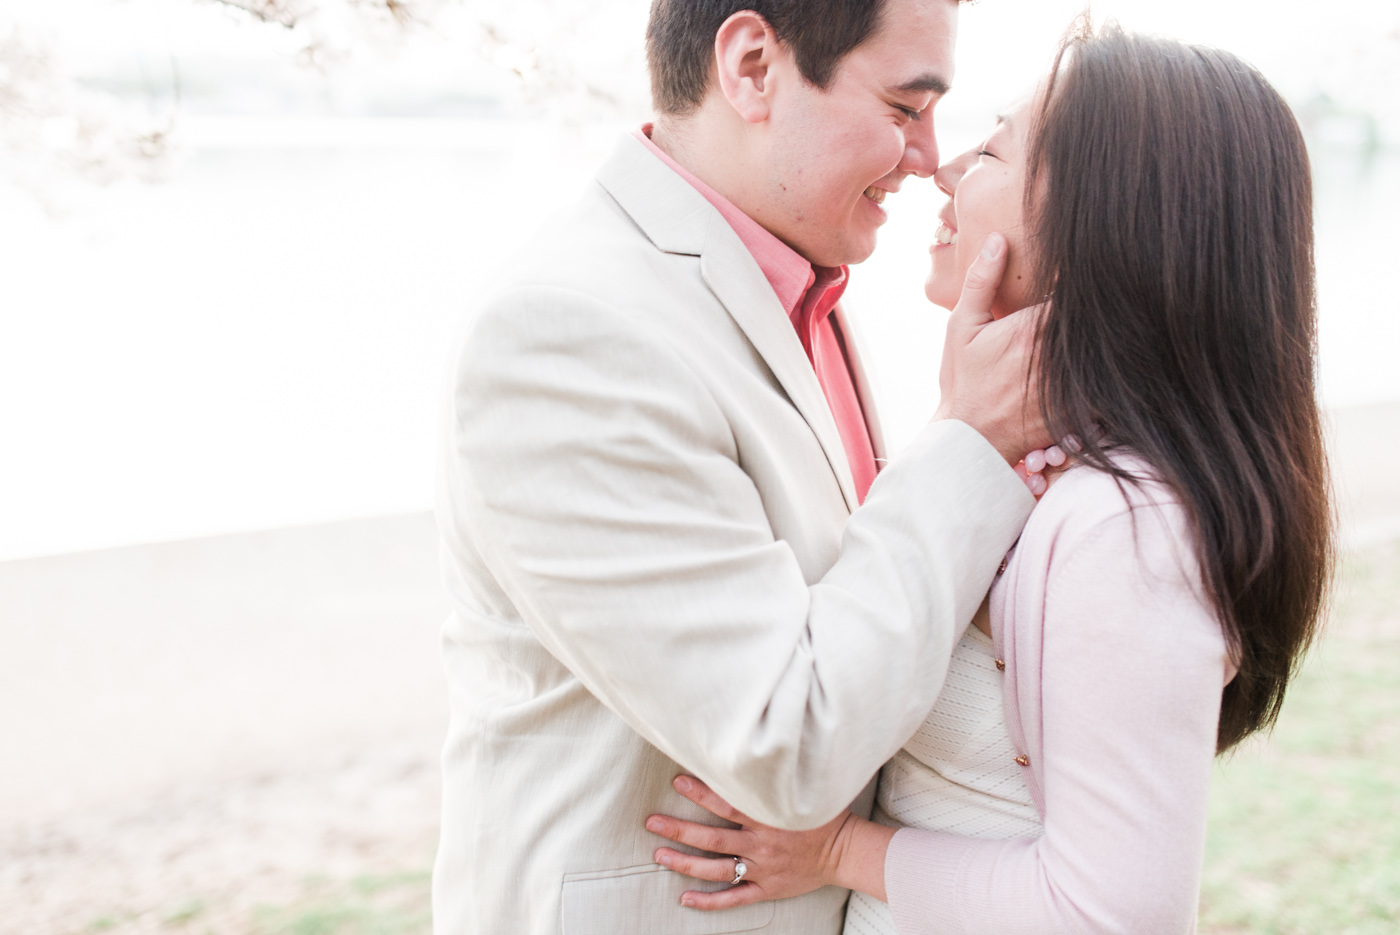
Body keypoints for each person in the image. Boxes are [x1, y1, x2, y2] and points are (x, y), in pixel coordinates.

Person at [645, 22, 1334, 933]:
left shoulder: (1125, 525)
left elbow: (1114, 910)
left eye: (997, 147)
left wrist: (841, 850)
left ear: (1106, 218)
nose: (945, 164)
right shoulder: (1031, 466)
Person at [432, 1, 1052, 933]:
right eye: (901, 107)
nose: (929, 158)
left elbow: (865, 607)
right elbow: (786, 740)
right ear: (754, 65)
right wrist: (968, 438)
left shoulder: (799, 282)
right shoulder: (570, 330)